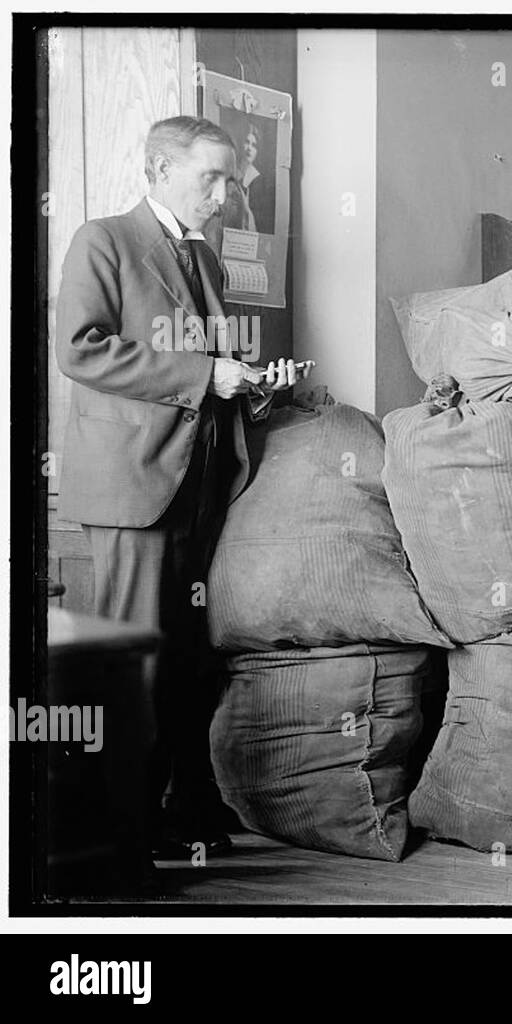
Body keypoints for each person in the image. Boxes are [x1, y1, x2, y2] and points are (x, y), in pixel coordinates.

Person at [55, 115, 313, 860]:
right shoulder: (102, 240)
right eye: (212, 177)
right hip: (134, 486)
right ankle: (119, 835)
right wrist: (205, 374)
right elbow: (80, 347)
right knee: (134, 658)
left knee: (185, 658)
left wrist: (253, 386)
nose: (227, 193)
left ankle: (179, 809)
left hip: (199, 481)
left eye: (231, 179)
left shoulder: (207, 262)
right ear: (159, 169)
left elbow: (215, 373)